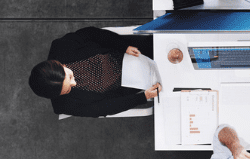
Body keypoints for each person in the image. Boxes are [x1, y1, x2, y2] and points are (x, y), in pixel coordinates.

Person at [28, 27, 162, 117]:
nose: (74, 83)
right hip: (134, 84)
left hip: (130, 52)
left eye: (70, 77)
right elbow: (106, 108)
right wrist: (143, 96)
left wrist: (123, 46)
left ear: (61, 65)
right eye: (67, 90)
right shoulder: (64, 105)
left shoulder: (61, 47)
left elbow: (94, 34)